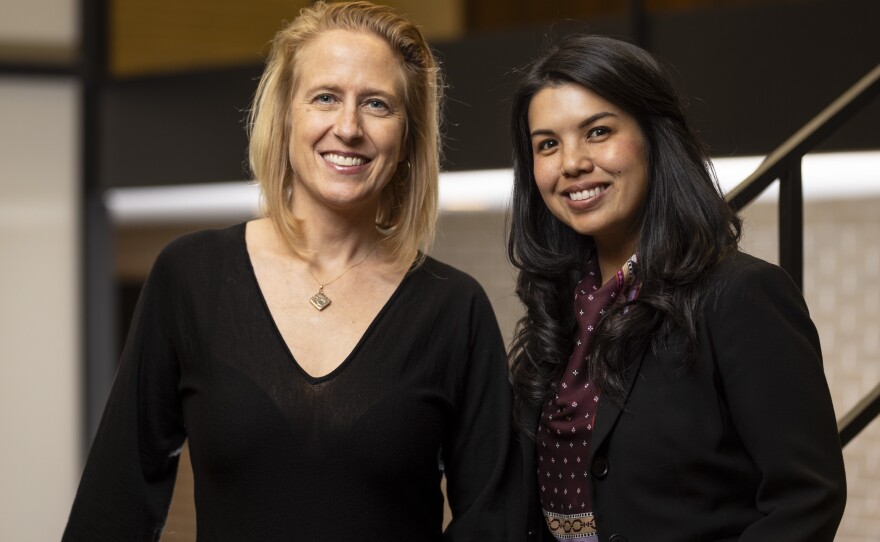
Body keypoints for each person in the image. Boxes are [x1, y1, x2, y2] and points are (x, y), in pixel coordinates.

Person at [63, 2, 517, 540]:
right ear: (285, 116)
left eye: (377, 104)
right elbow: (114, 503)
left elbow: (495, 523)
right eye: (325, 97)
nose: (348, 128)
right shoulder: (190, 276)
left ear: (408, 140)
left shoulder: (454, 309)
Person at [507, 34, 847, 541]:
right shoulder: (556, 308)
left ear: (652, 137)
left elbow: (806, 498)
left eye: (597, 132)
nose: (571, 162)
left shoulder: (741, 295)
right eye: (547, 144)